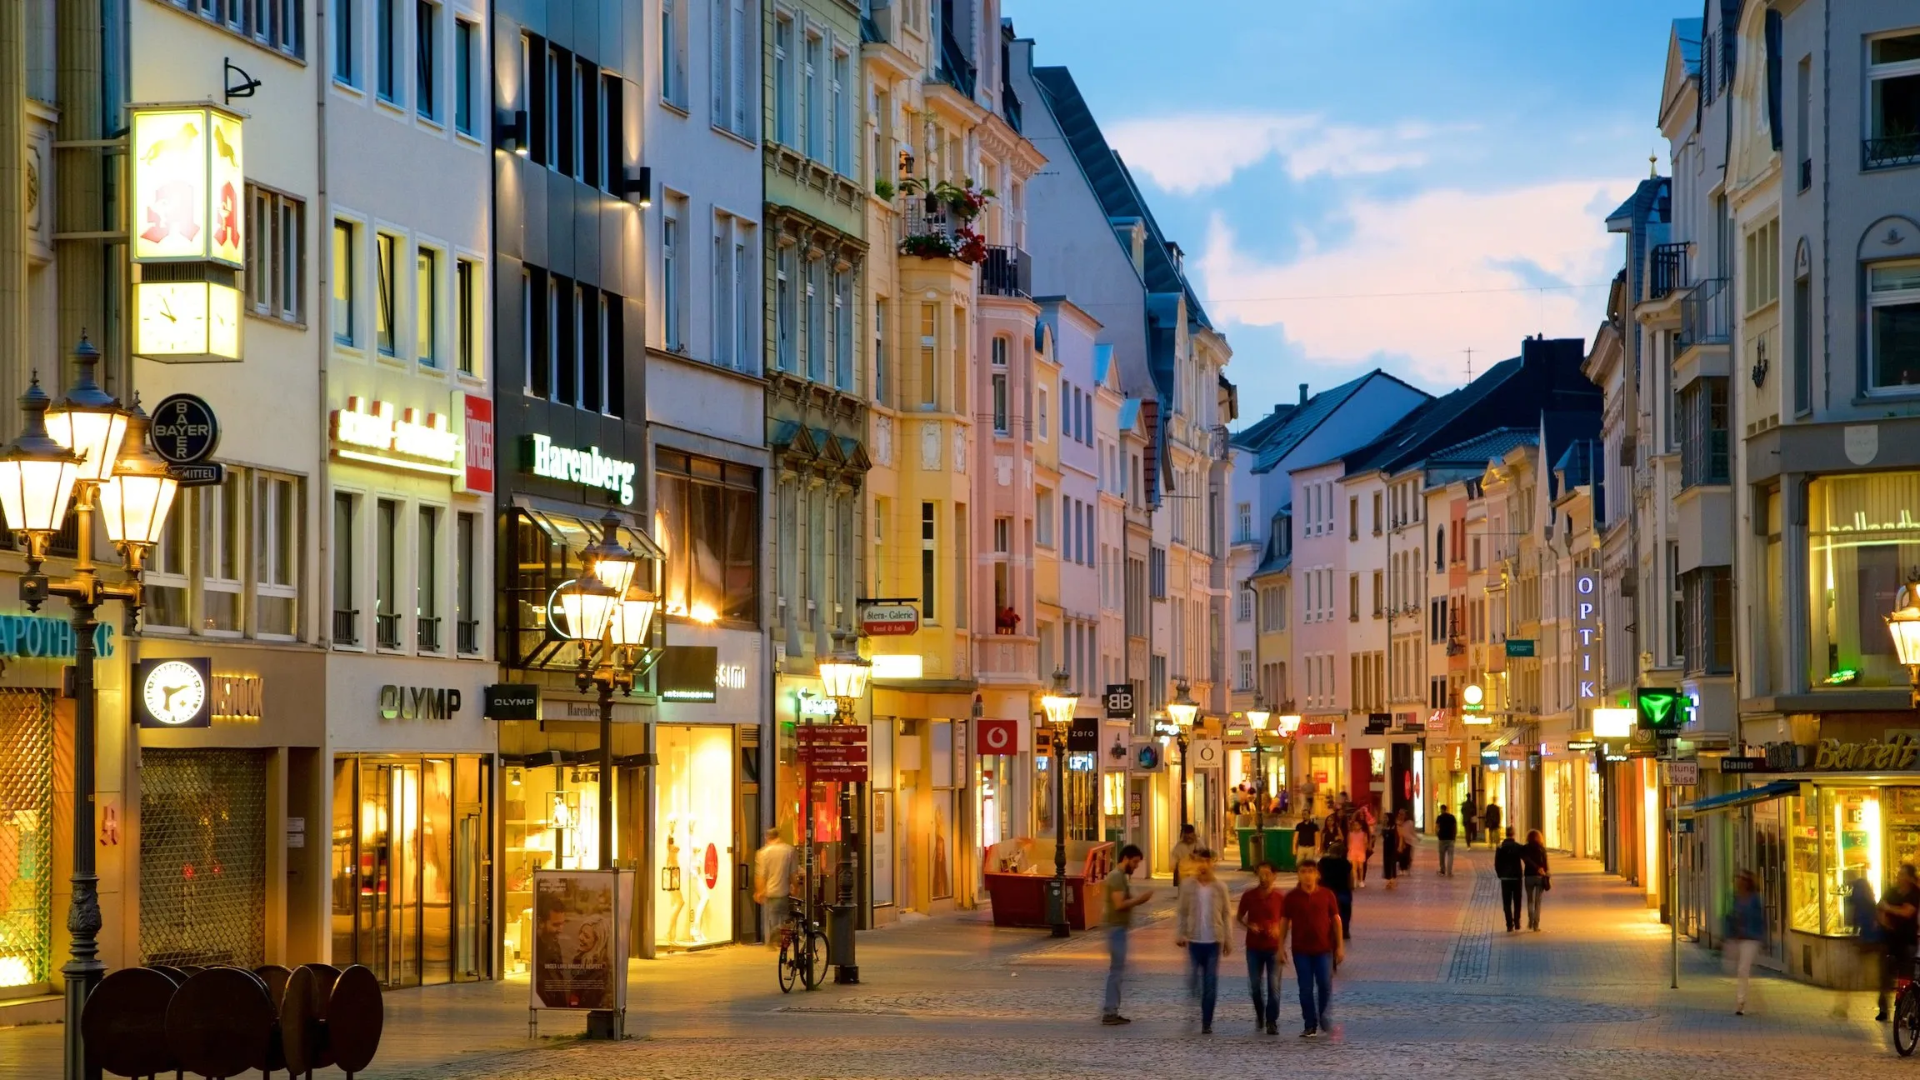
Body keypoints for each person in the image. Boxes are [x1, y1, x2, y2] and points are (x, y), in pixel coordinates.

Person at [1278, 857, 1345, 1037]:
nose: (1307, 876)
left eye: (1310, 872)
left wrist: (1340, 946)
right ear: (1299, 875)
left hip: (1324, 949)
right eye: (1303, 872)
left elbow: (1336, 920)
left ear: (1317, 875)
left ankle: (1323, 1015)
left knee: (1324, 984)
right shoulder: (1291, 897)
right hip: (1301, 950)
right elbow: (1284, 922)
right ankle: (1310, 1023)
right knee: (1305, 988)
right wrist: (1280, 946)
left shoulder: (1327, 895)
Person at [1175, 849, 1231, 1034]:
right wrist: (1180, 933)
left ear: (1212, 864)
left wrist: (1228, 939)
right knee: (1193, 981)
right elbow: (1182, 911)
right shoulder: (1188, 886)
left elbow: (1226, 914)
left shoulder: (1220, 887)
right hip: (1194, 940)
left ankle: (1207, 1021)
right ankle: (1195, 1006)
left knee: (1210, 983)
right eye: (1200, 861)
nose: (1203, 865)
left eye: (1207, 861)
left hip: (1213, 941)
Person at [1100, 844, 1155, 1025]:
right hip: (1116, 929)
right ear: (1126, 859)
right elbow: (1119, 904)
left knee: (1117, 971)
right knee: (1116, 972)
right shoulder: (1116, 877)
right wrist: (1140, 900)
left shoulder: (1121, 877)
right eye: (1135, 862)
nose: (1137, 866)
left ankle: (1111, 1009)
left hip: (1119, 929)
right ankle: (1110, 1011)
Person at [1237, 861, 1286, 1035]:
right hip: (1254, 947)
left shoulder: (1280, 897)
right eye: (1260, 874)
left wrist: (1278, 929)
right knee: (1255, 985)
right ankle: (1260, 1013)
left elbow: (1287, 921)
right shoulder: (1249, 895)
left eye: (1267, 874)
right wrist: (1249, 926)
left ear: (1274, 876)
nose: (1263, 878)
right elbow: (1239, 917)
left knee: (1274, 986)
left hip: (1273, 948)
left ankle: (1271, 1020)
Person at [1880, 864, 1920, 1023]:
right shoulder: (1893, 890)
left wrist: (1888, 908)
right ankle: (1889, 1010)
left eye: (1902, 874)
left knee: (1907, 978)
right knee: (1886, 977)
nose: (1899, 876)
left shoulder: (1914, 893)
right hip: (1892, 941)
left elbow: (1907, 911)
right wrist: (1884, 920)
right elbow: (1880, 906)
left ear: (1909, 877)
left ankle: (1905, 1013)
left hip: (1909, 943)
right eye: (1899, 873)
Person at [1841, 870, 1881, 1019]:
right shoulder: (1871, 902)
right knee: (1869, 974)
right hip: (1872, 941)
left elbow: (1855, 919)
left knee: (1850, 973)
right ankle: (1882, 1003)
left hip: (1864, 941)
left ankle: (1843, 1005)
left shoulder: (1858, 900)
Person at [1726, 869, 1766, 1015]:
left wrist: (1761, 937)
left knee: (1742, 970)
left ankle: (1740, 1003)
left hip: (1751, 939)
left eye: (1741, 879)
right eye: (1737, 879)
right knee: (1738, 970)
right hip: (1739, 939)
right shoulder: (1736, 897)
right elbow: (1732, 916)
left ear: (1747, 882)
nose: (1738, 881)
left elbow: (1759, 920)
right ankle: (1752, 997)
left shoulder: (1754, 899)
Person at [752, 827, 797, 949]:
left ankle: (773, 937)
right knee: (785, 917)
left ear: (767, 837)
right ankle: (778, 937)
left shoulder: (762, 853)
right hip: (784, 890)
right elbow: (793, 873)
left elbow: (760, 875)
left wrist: (759, 891)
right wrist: (796, 887)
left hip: (770, 891)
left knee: (773, 917)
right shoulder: (789, 850)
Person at [1316, 843, 1356, 941]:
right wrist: (1351, 887)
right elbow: (1350, 878)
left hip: (1326, 891)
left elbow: (1318, 876)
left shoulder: (1323, 862)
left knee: (1325, 912)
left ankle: (1325, 930)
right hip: (1342, 890)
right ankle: (1344, 930)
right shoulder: (1346, 863)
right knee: (1345, 911)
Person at [1494, 827, 1525, 932]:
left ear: (1506, 834)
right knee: (1517, 900)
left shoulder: (1500, 847)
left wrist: (1500, 874)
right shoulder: (1517, 847)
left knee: (1506, 902)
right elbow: (1526, 857)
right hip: (1516, 878)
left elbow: (1497, 863)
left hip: (1505, 878)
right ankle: (1517, 922)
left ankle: (1509, 924)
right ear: (1513, 834)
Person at [1521, 829, 1550, 931]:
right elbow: (1546, 865)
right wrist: (1545, 873)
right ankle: (1536, 925)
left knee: (1530, 900)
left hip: (1528, 877)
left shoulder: (1525, 848)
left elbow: (1526, 860)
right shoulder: (1542, 849)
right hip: (1539, 877)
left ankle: (1530, 920)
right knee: (1538, 901)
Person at [1347, 816, 1370, 888]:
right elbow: (1348, 843)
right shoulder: (1350, 834)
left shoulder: (1363, 833)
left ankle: (1361, 880)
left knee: (1360, 867)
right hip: (1353, 852)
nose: (1355, 826)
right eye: (1354, 825)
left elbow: (1366, 843)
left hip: (1361, 852)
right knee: (1354, 868)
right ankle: (1355, 881)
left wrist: (1365, 850)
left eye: (1357, 825)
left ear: (1360, 826)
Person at [1380, 807, 1401, 890]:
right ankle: (1388, 880)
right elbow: (1382, 836)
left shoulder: (1395, 826)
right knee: (1386, 863)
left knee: (1392, 863)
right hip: (1386, 847)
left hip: (1393, 847)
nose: (1385, 819)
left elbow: (1400, 836)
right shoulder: (1384, 827)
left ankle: (1392, 880)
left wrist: (1399, 845)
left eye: (1386, 817)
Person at [1435, 804, 1458, 876]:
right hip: (1450, 838)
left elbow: (1436, 827)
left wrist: (1437, 835)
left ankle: (1442, 870)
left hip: (1442, 838)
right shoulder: (1452, 817)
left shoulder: (1439, 817)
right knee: (1450, 855)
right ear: (1446, 809)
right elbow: (1455, 828)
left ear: (1441, 809)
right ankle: (1449, 871)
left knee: (1442, 855)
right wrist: (1454, 837)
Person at [1397, 809, 1417, 877]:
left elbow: (1413, 831)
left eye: (1402, 814)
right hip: (1400, 841)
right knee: (1400, 856)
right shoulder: (1398, 822)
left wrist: (1416, 837)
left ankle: (1406, 869)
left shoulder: (1410, 822)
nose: (1401, 815)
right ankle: (1401, 869)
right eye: (1400, 814)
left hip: (1408, 841)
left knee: (1407, 855)